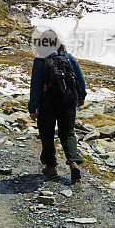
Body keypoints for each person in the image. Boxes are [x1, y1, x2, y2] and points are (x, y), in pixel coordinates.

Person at [28, 29, 87, 183]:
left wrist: (32, 108)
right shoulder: (68, 58)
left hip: (47, 105)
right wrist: (81, 97)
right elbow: (80, 80)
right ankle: (73, 162)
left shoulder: (40, 61)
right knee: (67, 133)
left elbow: (35, 86)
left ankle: (51, 167)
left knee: (47, 134)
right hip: (68, 103)